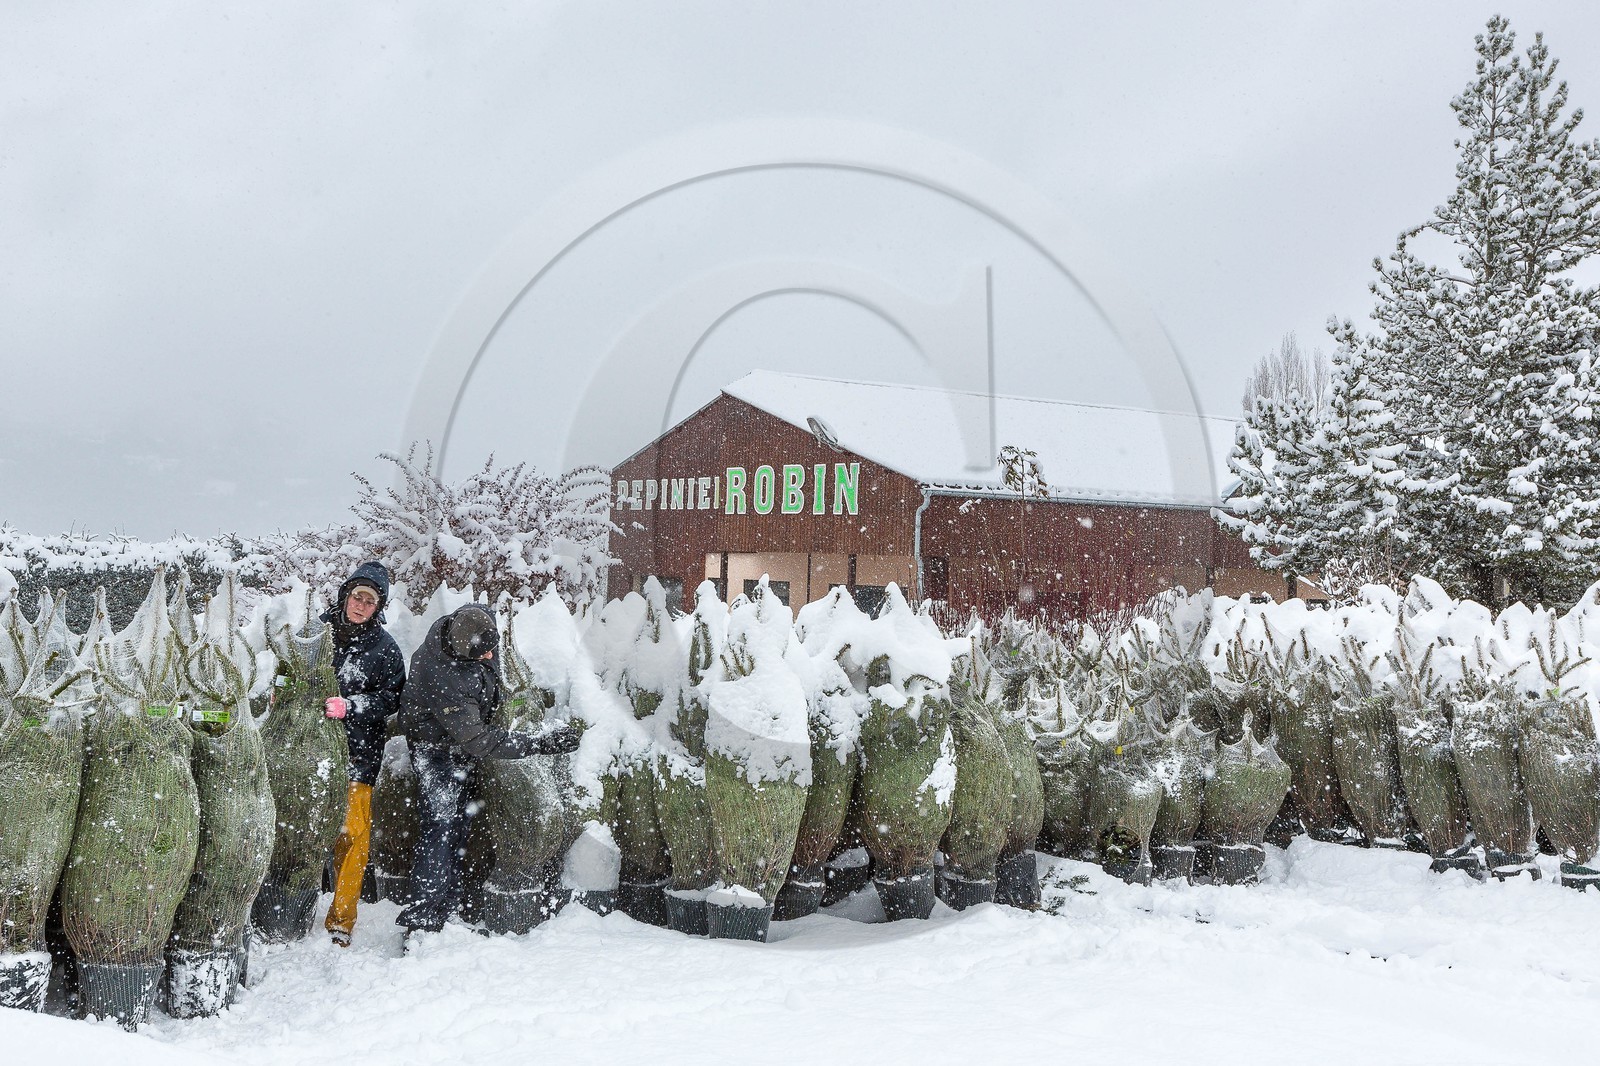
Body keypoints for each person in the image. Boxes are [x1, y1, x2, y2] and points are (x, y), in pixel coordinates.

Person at [396, 602, 580, 940]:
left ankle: (449, 904)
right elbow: (478, 740)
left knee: (461, 824)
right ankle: (422, 919)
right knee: (440, 828)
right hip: (435, 749)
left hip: (459, 742)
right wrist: (539, 743)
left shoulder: (471, 623)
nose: (488, 658)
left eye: (490, 650)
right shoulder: (445, 677)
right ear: (461, 651)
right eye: (480, 655)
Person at [321, 560, 407, 948]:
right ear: (346, 595)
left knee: (353, 836)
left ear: (379, 607)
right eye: (357, 596)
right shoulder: (318, 634)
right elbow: (289, 669)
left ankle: (341, 919)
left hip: (359, 753)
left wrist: (352, 706)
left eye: (370, 601)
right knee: (306, 832)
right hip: (314, 751)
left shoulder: (385, 649)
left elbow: (393, 699)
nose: (361, 605)